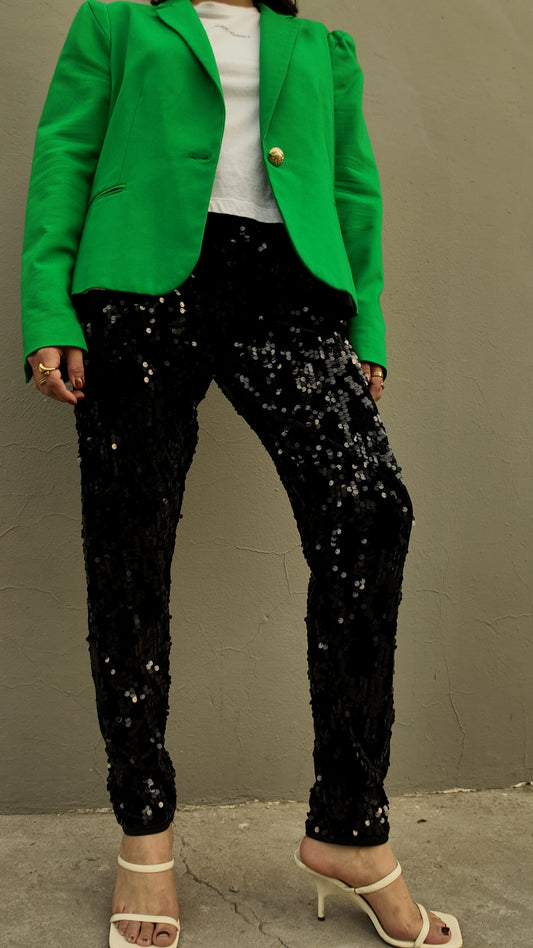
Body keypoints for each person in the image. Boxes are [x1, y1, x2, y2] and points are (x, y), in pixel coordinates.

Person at [21, 1, 462, 946]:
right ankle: (145, 829)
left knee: (370, 510)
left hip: (288, 289)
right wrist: (48, 310)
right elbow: (65, 155)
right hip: (139, 288)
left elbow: (351, 185)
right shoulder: (118, 23)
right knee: (128, 547)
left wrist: (365, 322)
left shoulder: (319, 48)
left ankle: (349, 827)